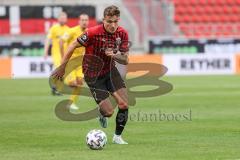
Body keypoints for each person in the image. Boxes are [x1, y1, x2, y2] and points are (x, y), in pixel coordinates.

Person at [53, 5, 129, 144]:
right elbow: (72, 46)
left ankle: (117, 137)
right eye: (109, 21)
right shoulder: (93, 32)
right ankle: (102, 113)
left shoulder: (122, 33)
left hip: (111, 71)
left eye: (115, 21)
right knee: (109, 112)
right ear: (103, 20)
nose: (113, 25)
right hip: (93, 74)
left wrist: (116, 55)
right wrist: (62, 67)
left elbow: (125, 59)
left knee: (124, 104)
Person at [59, 14, 89, 110]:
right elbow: (61, 41)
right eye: (82, 20)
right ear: (79, 21)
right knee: (72, 83)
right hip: (71, 61)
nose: (84, 21)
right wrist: (63, 55)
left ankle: (71, 103)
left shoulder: (88, 32)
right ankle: (62, 80)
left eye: (86, 20)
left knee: (80, 83)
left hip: (80, 63)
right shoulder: (72, 31)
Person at [44, 11, 69, 95]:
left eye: (64, 18)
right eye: (61, 18)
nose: (62, 19)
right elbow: (48, 39)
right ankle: (57, 88)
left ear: (66, 19)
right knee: (59, 69)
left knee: (64, 72)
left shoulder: (68, 29)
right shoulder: (54, 28)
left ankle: (54, 87)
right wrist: (45, 51)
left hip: (65, 54)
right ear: (58, 19)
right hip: (56, 53)